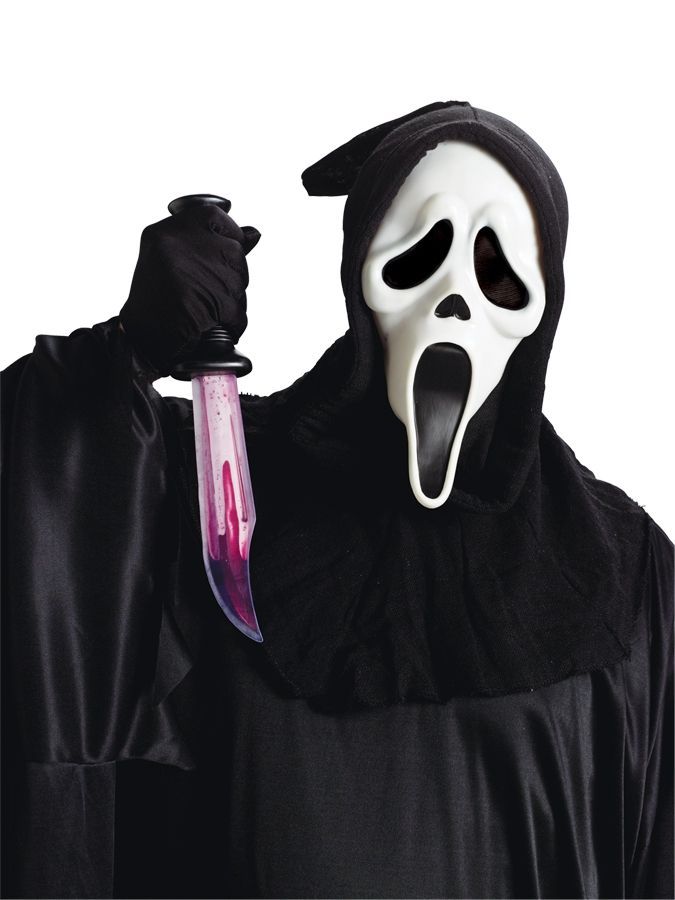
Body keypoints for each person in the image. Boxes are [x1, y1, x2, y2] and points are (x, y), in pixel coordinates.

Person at [1, 101, 672, 899]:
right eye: (417, 255)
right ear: (360, 274)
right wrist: (122, 356)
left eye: (500, 274)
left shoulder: (620, 571)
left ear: (542, 304)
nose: (455, 299)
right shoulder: (205, 488)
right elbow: (46, 542)